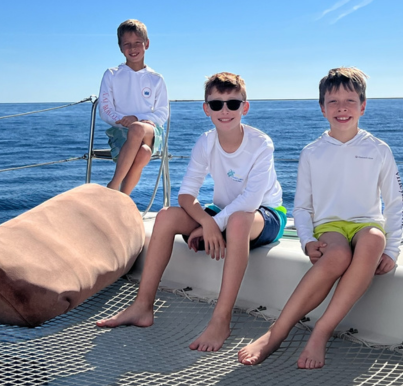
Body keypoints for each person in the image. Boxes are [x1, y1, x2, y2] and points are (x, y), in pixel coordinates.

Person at [97, 72, 287, 352]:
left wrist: (213, 224)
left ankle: (221, 320)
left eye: (233, 104)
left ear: (244, 108)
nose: (225, 111)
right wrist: (206, 224)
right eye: (216, 104)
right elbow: (186, 193)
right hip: (224, 213)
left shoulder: (261, 144)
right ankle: (142, 306)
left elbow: (250, 201)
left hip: (264, 215)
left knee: (237, 221)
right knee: (166, 216)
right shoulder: (205, 142)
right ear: (206, 109)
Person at [238, 67, 403, 369]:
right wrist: (307, 241)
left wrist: (392, 250)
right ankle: (276, 332)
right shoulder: (312, 152)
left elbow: (395, 204)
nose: (342, 108)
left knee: (374, 240)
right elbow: (302, 207)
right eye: (333, 102)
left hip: (366, 223)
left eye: (350, 101)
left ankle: (321, 331)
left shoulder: (379, 150)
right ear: (322, 108)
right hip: (330, 227)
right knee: (337, 256)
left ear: (363, 106)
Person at [98, 19, 169, 195]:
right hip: (121, 130)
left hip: (150, 131)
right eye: (127, 44)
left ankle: (113, 187)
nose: (133, 48)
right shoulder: (112, 75)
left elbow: (162, 113)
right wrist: (123, 121)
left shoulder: (156, 78)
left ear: (147, 44)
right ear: (120, 47)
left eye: (138, 43)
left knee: (138, 129)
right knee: (144, 152)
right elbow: (105, 108)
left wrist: (136, 119)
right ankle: (123, 199)